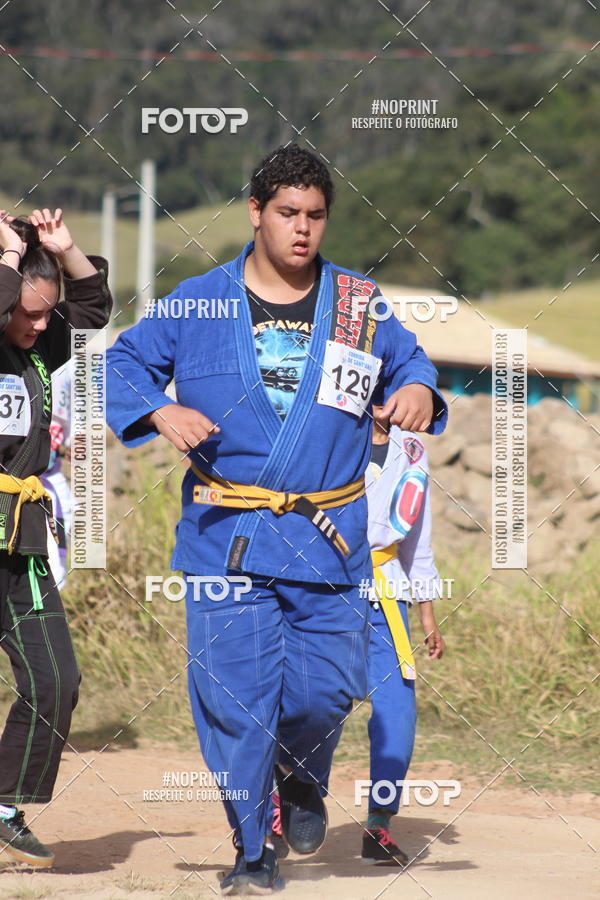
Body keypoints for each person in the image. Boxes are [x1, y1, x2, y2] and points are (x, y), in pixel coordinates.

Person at [106, 144, 447, 895]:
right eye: (287, 212)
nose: (302, 229)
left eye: (315, 215)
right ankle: (252, 849)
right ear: (256, 212)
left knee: (326, 692)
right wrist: (159, 409)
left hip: (330, 539)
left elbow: (411, 363)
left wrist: (419, 389)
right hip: (226, 538)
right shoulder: (199, 301)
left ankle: (299, 771)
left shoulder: (358, 303)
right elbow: (121, 364)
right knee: (236, 700)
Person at [0, 208, 112, 867]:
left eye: (47, 315)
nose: (40, 326)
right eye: (29, 314)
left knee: (56, 680)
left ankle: (5, 808)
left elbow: (92, 309)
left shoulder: (41, 349)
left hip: (24, 541)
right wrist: (10, 254)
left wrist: (65, 252)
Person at [361, 406, 445, 866]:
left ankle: (379, 822)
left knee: (397, 707)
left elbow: (417, 536)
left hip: (386, 589)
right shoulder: (321, 429)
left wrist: (427, 613)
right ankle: (288, 796)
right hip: (321, 587)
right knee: (310, 701)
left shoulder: (411, 449)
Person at [41, 359, 73, 590]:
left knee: (55, 565)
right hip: (11, 479)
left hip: (51, 481)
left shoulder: (68, 364)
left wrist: (70, 445)